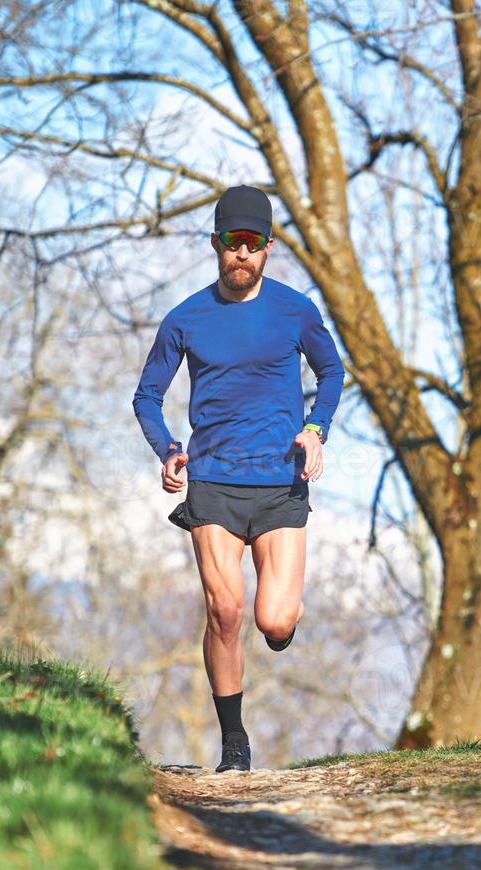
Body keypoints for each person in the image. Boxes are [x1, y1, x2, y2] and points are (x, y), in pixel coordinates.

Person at [131, 184, 343, 773]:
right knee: (225, 611)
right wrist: (169, 448)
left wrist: (315, 429)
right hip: (214, 482)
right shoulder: (186, 319)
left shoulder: (295, 311)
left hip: (280, 482)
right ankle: (234, 744)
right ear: (217, 245)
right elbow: (147, 396)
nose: (241, 253)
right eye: (232, 242)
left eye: (252, 243)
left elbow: (331, 372)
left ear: (269, 248)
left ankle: (279, 626)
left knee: (273, 619)